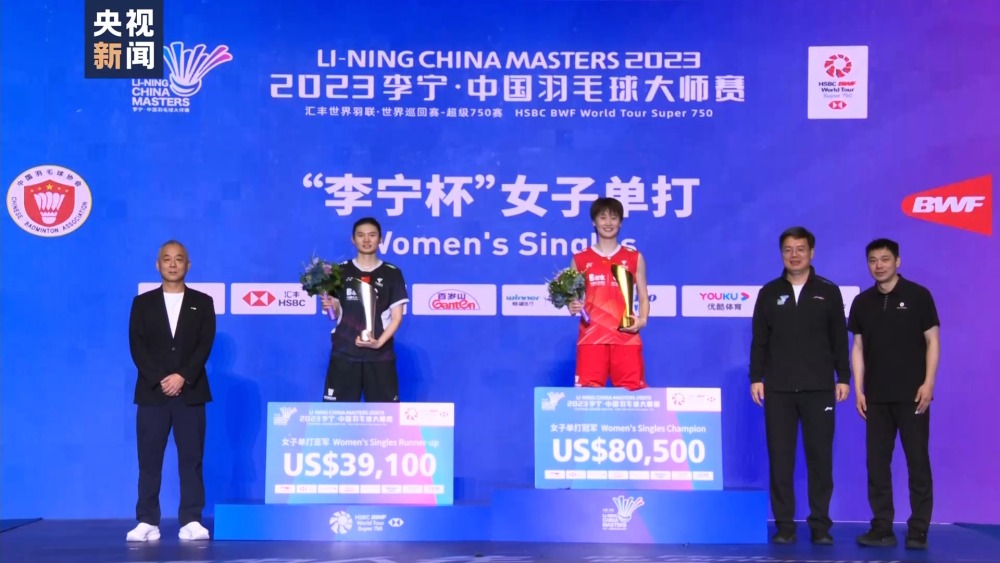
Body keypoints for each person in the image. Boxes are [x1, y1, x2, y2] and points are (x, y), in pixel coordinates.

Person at [749, 226, 850, 545]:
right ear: (781, 254)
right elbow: (759, 340)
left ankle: (820, 525)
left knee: (820, 459)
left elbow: (839, 338)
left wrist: (843, 377)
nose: (794, 255)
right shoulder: (769, 292)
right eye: (788, 250)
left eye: (800, 249)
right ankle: (784, 525)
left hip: (819, 389)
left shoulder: (828, 291)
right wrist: (756, 377)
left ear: (812, 253)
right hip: (778, 390)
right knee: (781, 460)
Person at [849, 239, 939, 550]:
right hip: (876, 398)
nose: (879, 265)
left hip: (913, 396)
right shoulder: (862, 302)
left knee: (917, 462)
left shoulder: (918, 296)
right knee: (877, 465)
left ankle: (918, 530)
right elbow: (857, 348)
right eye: (873, 260)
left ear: (897, 261)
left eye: (885, 259)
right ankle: (882, 528)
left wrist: (929, 383)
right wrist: (859, 389)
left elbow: (933, 341)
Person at [127, 240, 216, 542]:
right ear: (158, 265)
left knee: (191, 459)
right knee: (149, 460)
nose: (173, 264)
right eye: (167, 259)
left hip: (191, 393)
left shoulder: (203, 302)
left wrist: (183, 377)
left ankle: (191, 519)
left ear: (188, 265)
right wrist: (161, 378)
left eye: (179, 259)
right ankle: (147, 520)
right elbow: (137, 347)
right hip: (152, 394)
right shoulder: (142, 303)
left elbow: (204, 345)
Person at [320, 217, 409, 402]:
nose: (366, 240)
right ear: (353, 239)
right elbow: (336, 313)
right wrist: (331, 306)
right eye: (361, 235)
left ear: (380, 239)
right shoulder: (338, 272)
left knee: (385, 416)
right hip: (344, 353)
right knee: (337, 415)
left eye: (372, 235)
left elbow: (397, 317)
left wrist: (379, 343)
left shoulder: (392, 273)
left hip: (380, 356)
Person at [567, 197, 649, 390]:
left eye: (613, 218)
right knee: (588, 398)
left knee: (632, 397)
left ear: (620, 222)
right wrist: (572, 305)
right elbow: (573, 299)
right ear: (593, 222)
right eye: (602, 217)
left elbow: (643, 296)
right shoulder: (580, 259)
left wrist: (642, 320)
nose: (608, 223)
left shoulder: (634, 257)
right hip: (591, 337)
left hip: (626, 336)